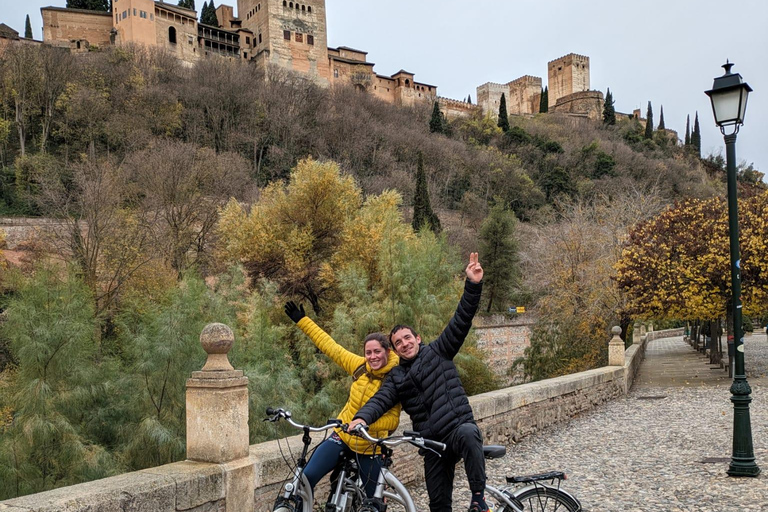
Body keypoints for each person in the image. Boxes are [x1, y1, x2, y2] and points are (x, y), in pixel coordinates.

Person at [349, 252, 488, 512]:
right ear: (395, 350)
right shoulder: (397, 377)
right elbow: (379, 400)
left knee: (470, 433)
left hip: (457, 429)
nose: (404, 343)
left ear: (418, 338)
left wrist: (473, 285)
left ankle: (479, 498)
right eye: (398, 342)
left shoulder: (440, 351)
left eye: (407, 337)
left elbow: (462, 319)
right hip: (432, 445)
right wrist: (361, 418)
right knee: (438, 505)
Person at [283, 301, 402, 499]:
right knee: (306, 477)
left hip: (369, 445)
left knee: (374, 500)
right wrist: (302, 320)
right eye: (368, 352)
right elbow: (331, 347)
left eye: (377, 352)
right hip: (342, 436)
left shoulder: (396, 378)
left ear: (388, 352)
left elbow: (393, 421)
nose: (372, 357)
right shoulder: (360, 366)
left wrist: (363, 425)